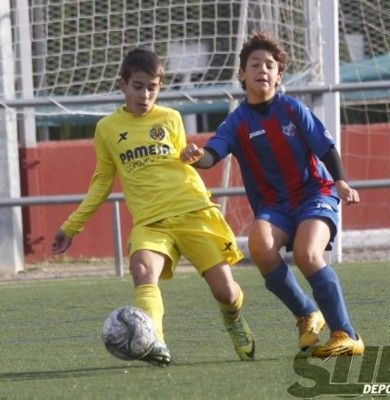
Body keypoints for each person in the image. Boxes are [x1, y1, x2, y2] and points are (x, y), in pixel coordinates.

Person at [52, 48, 255, 366]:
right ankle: (154, 343)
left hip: (192, 211)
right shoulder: (107, 129)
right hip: (150, 222)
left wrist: (192, 155)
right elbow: (102, 182)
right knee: (143, 271)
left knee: (227, 293)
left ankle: (233, 320)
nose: (145, 94)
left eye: (152, 87)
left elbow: (184, 160)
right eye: (138, 85)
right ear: (122, 84)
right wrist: (71, 226)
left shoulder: (170, 118)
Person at [180, 32, 364, 357]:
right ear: (242, 74)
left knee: (308, 255)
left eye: (270, 65)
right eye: (255, 64)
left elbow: (325, 145)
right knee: (260, 246)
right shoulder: (237, 122)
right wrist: (198, 157)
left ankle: (346, 334)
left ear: (279, 76)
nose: (262, 70)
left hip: (313, 194)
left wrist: (341, 181)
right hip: (275, 207)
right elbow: (213, 153)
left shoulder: (292, 109)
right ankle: (306, 313)